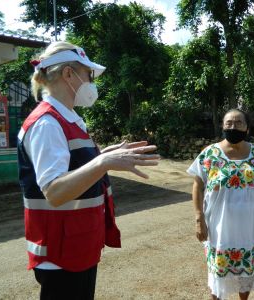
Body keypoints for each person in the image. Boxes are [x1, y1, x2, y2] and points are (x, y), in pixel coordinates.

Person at [17, 41, 160, 300]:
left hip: (75, 246)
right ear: (68, 74)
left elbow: (72, 167)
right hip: (60, 256)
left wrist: (103, 155)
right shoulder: (47, 124)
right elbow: (55, 191)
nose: (91, 81)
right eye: (88, 74)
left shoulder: (68, 117)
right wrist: (103, 162)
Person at [187, 109, 254, 300]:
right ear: (222, 126)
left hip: (252, 227)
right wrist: (199, 219)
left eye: (238, 123)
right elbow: (197, 186)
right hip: (220, 228)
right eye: (229, 123)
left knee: (246, 270)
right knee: (218, 271)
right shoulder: (210, 154)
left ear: (246, 128)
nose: (233, 126)